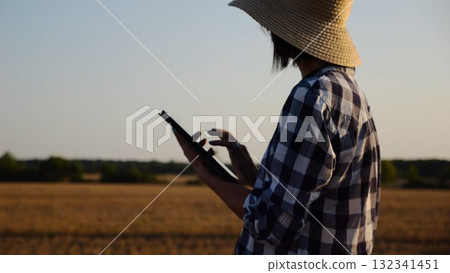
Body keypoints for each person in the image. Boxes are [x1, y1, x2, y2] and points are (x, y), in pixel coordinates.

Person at [174, 0, 380, 255]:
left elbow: (270, 224)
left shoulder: (313, 96)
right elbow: (302, 191)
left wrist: (205, 171)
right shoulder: (350, 92)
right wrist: (248, 167)